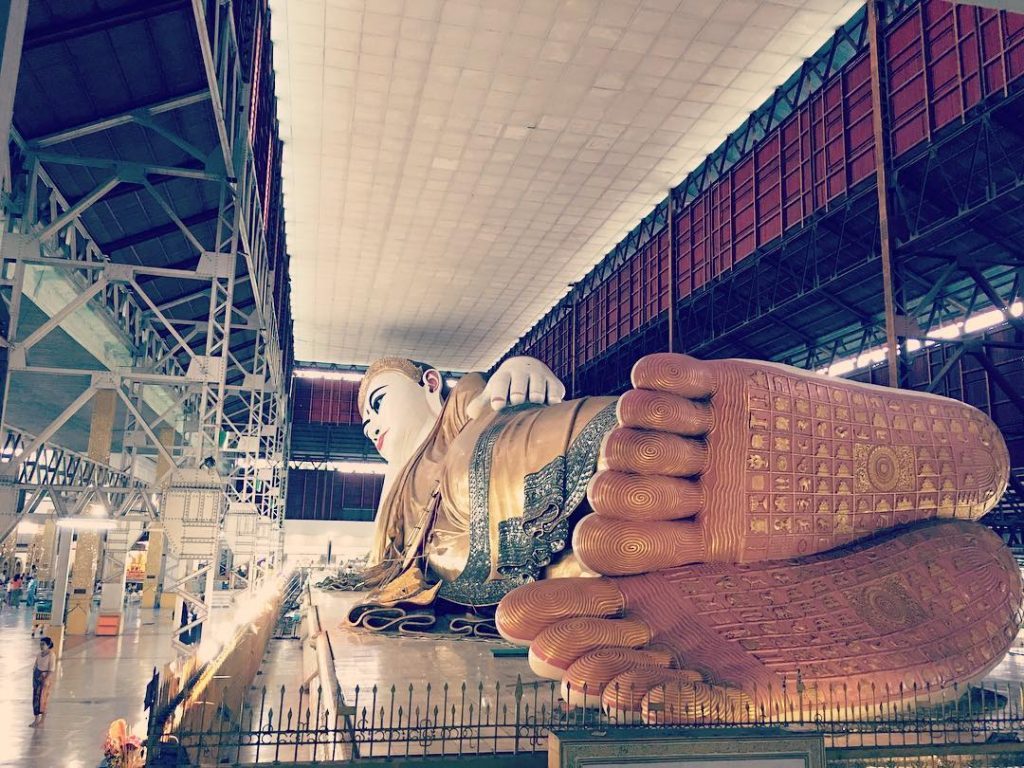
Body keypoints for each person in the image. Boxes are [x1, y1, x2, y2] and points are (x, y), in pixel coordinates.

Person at [355, 351, 1019, 719]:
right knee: (604, 577)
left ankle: (718, 474)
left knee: (643, 459)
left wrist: (513, 369)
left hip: (507, 461)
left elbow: (484, 395)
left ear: (431, 384)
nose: (372, 428)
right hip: (528, 567)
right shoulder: (398, 500)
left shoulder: (458, 416)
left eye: (378, 402)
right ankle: (719, 583)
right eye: (364, 426)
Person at [30, 637, 55, 726]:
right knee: (36, 698)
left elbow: (51, 670)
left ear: (48, 645)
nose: (41, 646)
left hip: (45, 679)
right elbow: (35, 665)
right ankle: (36, 719)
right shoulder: (39, 654)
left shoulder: (51, 655)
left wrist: (46, 679)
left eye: (43, 644)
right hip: (37, 678)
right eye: (40, 644)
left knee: (43, 699)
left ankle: (42, 721)